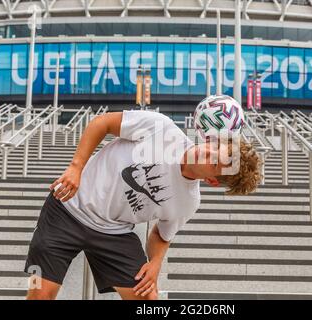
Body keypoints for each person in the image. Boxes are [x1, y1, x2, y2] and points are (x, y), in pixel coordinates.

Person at [24, 110, 262, 300]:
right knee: (40, 295)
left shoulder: (188, 202)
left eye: (213, 163)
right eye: (214, 149)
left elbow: (162, 234)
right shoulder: (161, 128)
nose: (205, 154)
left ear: (210, 180)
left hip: (113, 233)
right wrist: (76, 168)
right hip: (67, 209)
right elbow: (101, 123)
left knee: (147, 298)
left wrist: (156, 263)